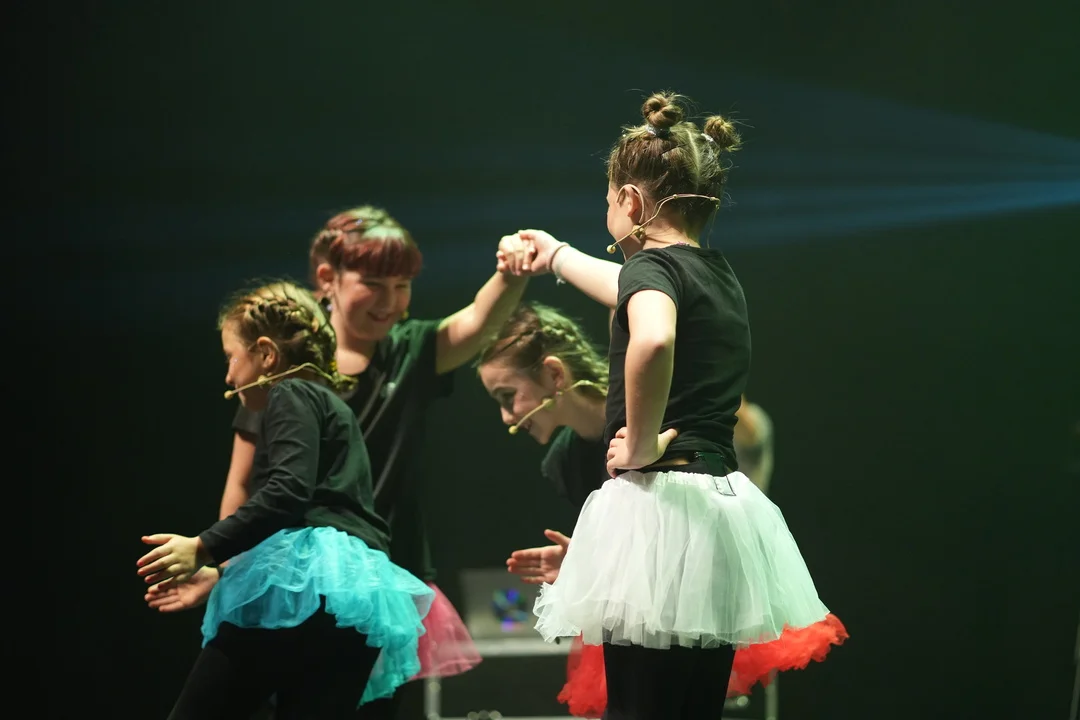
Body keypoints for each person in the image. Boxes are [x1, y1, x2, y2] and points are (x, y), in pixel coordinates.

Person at [498, 91, 842, 719]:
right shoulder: (716, 273)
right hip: (715, 509)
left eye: (608, 199)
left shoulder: (651, 269)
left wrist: (638, 439)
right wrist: (556, 256)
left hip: (660, 501)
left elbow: (653, 337)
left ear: (630, 201)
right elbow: (628, 290)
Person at [179, 206, 530, 717]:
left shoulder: (408, 351)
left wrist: (511, 272)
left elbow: (476, 321)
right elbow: (242, 483)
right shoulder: (282, 371)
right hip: (293, 578)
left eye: (402, 286)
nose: (390, 301)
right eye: (373, 284)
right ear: (328, 278)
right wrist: (228, 569)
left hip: (378, 583)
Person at [480, 303, 846, 717]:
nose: (507, 417)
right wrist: (583, 561)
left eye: (508, 396)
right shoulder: (565, 461)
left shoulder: (653, 408)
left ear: (554, 374)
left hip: (699, 600)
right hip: (641, 620)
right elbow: (633, 549)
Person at [139, 281, 434, 719]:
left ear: (266, 354)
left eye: (231, 358)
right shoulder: (336, 409)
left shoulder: (289, 393)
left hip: (306, 587)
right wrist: (223, 574)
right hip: (355, 598)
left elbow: (287, 492)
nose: (228, 377)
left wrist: (202, 546)